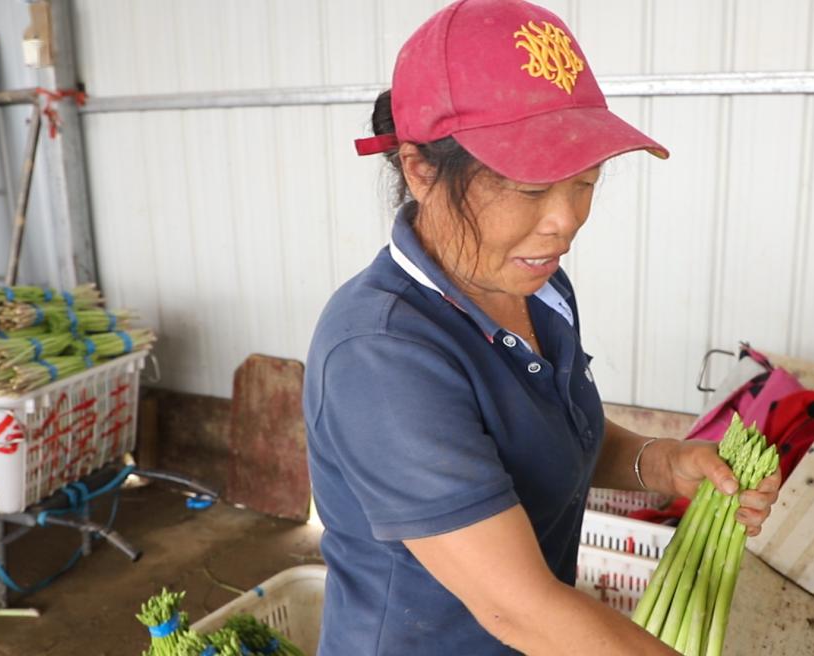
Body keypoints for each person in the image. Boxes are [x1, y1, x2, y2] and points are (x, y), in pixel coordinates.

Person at [303, 1, 781, 653]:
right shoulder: (379, 354)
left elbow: (547, 437)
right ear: (421, 171)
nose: (565, 221)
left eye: (586, 181)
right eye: (530, 190)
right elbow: (520, 609)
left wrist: (661, 463)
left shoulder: (536, 285)